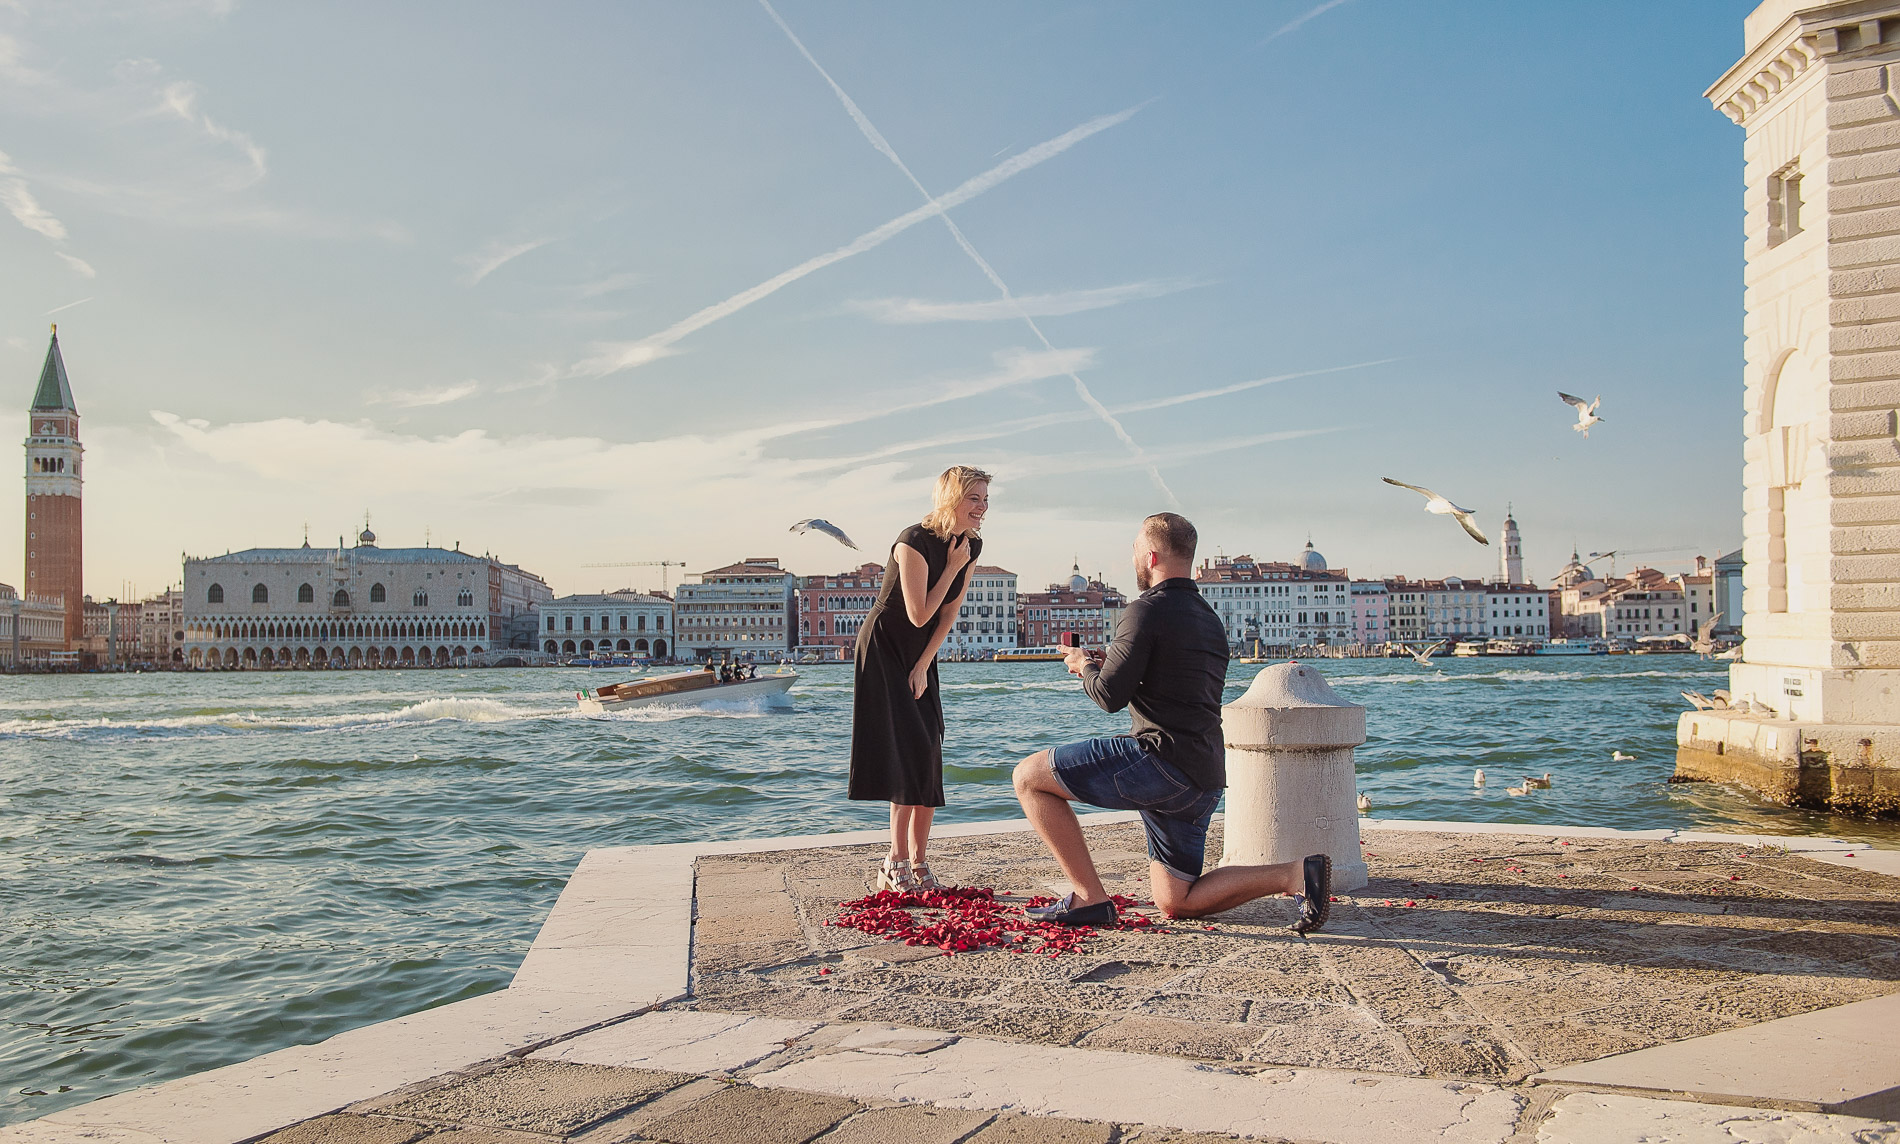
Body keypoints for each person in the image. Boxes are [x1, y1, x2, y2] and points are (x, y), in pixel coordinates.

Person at [1011, 512, 1332, 932]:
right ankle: (1293, 874)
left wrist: (1083, 667)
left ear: (1150, 554)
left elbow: (1108, 696)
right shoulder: (1209, 619)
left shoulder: (1143, 611)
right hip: (1203, 775)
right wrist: (1115, 667)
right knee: (1176, 900)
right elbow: (1176, 684)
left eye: (1134, 551)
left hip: (1160, 762)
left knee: (1029, 777)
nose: (1133, 559)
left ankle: (1089, 897)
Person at [849, 465, 989, 892]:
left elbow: (948, 615)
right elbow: (918, 613)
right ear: (951, 498)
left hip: (919, 654)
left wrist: (924, 664)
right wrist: (950, 568)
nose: (982, 508)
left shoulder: (970, 545)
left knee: (928, 748)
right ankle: (895, 863)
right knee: (906, 751)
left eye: (985, 500)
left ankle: (919, 862)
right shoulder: (912, 541)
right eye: (974, 498)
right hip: (884, 649)